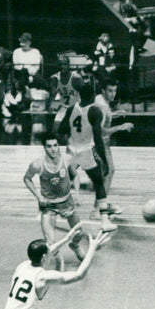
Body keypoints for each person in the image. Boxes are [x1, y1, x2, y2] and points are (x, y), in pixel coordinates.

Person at [56, 82, 120, 230]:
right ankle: (104, 221)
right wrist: (103, 160)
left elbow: (61, 129)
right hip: (86, 151)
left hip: (71, 151)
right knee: (98, 183)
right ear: (93, 95)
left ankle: (51, 212)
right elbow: (98, 137)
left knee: (61, 181)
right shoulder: (94, 111)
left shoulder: (72, 108)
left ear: (79, 94)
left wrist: (71, 136)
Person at [23, 132, 87, 263]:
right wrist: (38, 196)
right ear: (44, 148)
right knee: (51, 244)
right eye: (49, 146)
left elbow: (75, 176)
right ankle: (58, 264)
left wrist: (77, 194)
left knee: (79, 233)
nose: (53, 149)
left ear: (59, 146)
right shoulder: (37, 165)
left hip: (66, 202)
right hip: (48, 206)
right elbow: (27, 179)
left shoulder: (68, 159)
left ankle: (74, 245)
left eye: (55, 145)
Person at [94, 81, 134, 193]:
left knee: (102, 170)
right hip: (101, 142)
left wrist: (114, 114)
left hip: (92, 141)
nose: (113, 94)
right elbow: (100, 130)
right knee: (110, 170)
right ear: (103, 90)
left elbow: (101, 117)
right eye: (110, 91)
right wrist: (120, 127)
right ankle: (102, 202)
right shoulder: (103, 106)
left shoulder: (98, 99)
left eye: (115, 91)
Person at [12, 32, 50, 104]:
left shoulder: (35, 51)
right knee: (23, 71)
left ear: (29, 42)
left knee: (43, 81)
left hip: (33, 74)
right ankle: (20, 92)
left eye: (25, 42)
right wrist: (28, 70)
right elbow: (16, 66)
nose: (22, 44)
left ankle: (52, 93)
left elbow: (36, 66)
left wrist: (30, 75)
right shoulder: (16, 51)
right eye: (21, 41)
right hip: (20, 75)